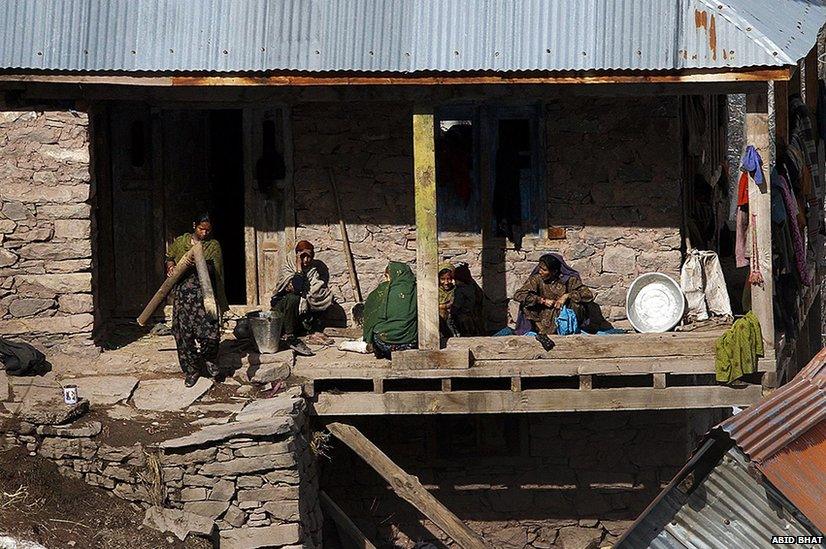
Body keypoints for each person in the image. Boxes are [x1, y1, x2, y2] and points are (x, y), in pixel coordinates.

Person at [165, 213, 229, 387]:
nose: (204, 233)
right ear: (194, 225)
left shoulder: (213, 246)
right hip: (183, 296)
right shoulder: (181, 242)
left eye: (208, 230)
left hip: (205, 296)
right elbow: (169, 257)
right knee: (183, 334)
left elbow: (217, 272)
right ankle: (191, 370)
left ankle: (209, 360)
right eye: (201, 229)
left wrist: (201, 264)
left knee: (210, 333)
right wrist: (171, 266)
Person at [513, 254, 595, 336]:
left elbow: (588, 295)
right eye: (540, 268)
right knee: (526, 302)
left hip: (563, 315)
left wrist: (567, 296)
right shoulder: (536, 279)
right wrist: (542, 300)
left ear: (554, 271)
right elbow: (518, 295)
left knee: (577, 302)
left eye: (544, 270)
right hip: (543, 315)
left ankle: (570, 330)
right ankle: (540, 331)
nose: (540, 271)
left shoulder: (568, 280)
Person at [274, 240, 333, 334]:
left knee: (323, 295)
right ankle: (289, 333)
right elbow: (297, 288)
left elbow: (315, 290)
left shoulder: (313, 270)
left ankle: (311, 329)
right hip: (283, 310)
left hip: (300, 312)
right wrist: (298, 268)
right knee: (293, 298)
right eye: (302, 256)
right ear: (297, 256)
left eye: (308, 256)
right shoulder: (289, 266)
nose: (306, 260)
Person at [363, 262, 418, 359]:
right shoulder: (417, 290)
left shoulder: (384, 290)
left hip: (385, 343)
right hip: (411, 343)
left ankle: (382, 352)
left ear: (389, 276)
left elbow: (370, 312)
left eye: (386, 277)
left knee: (376, 330)